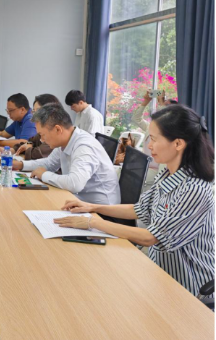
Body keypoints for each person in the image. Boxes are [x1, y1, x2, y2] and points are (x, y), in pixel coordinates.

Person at [56, 105, 214, 296]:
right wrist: (92, 207)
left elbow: (150, 237)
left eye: (154, 139)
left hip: (189, 286)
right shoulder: (167, 174)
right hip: (159, 272)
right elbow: (139, 209)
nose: (149, 145)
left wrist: (93, 222)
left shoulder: (194, 189)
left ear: (178, 144)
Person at [14, 103, 120, 205]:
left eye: (42, 135)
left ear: (57, 129)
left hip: (101, 210)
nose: (41, 140)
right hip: (80, 200)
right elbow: (49, 163)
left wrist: (43, 174)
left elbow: (75, 183)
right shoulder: (65, 140)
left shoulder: (84, 146)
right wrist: (20, 165)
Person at [132, 90, 177, 184]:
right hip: (145, 166)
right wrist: (146, 101)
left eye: (165, 106)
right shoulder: (150, 127)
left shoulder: (170, 132)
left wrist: (161, 102)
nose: (161, 106)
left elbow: (165, 120)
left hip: (158, 173)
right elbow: (136, 119)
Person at [14, 94, 62, 160]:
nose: (35, 116)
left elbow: (38, 154)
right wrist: (12, 150)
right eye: (34, 112)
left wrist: (28, 147)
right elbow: (31, 141)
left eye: (39, 111)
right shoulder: (43, 129)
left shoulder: (55, 130)